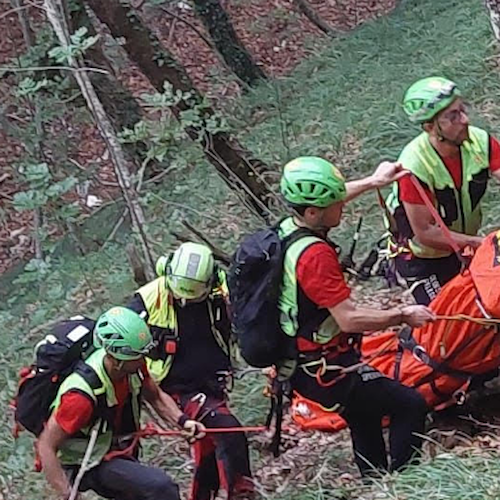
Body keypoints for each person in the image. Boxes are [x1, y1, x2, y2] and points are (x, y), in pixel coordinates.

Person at [277, 156, 435, 475]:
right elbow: (348, 319)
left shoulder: (289, 228)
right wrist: (403, 314)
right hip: (323, 367)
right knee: (409, 404)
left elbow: (333, 197)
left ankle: (374, 481)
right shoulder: (314, 257)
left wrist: (373, 182)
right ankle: (406, 482)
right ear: (312, 211)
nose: (342, 206)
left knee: (364, 412)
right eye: (334, 203)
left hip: (303, 362)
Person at [127, 242, 253, 500]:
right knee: (229, 431)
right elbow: (116, 339)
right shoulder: (147, 299)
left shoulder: (222, 291)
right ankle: (243, 492)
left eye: (192, 296)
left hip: (211, 383)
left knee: (206, 450)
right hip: (175, 387)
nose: (184, 300)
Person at [37, 306, 205, 500]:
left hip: (116, 448)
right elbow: (46, 445)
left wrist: (183, 421)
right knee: (161, 488)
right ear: (116, 358)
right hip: (88, 462)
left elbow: (155, 396)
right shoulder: (79, 397)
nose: (144, 359)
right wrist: (67, 493)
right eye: (139, 355)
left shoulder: (132, 365)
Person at [386, 76, 500, 304]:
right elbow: (426, 233)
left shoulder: (480, 141)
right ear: (430, 127)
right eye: (453, 116)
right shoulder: (414, 168)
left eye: (462, 110)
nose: (465, 120)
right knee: (445, 325)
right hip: (423, 258)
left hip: (463, 245)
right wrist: (477, 243)